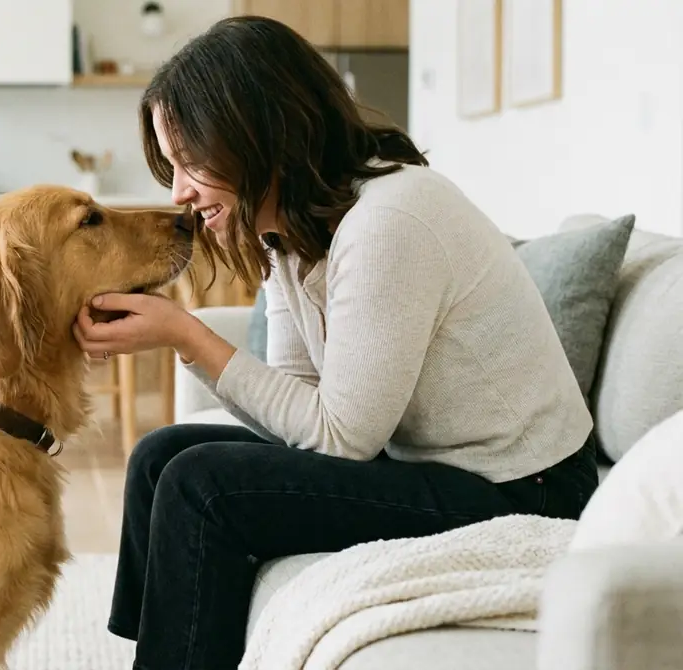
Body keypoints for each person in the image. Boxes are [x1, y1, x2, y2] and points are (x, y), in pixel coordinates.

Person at [71, 15, 599, 670]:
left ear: (255, 132)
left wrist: (187, 336)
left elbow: (343, 438)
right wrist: (185, 342)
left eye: (190, 161)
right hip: (421, 460)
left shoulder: (390, 221)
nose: (179, 193)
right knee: (160, 456)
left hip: (523, 485)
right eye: (170, 167)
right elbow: (296, 407)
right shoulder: (291, 233)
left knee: (200, 484)